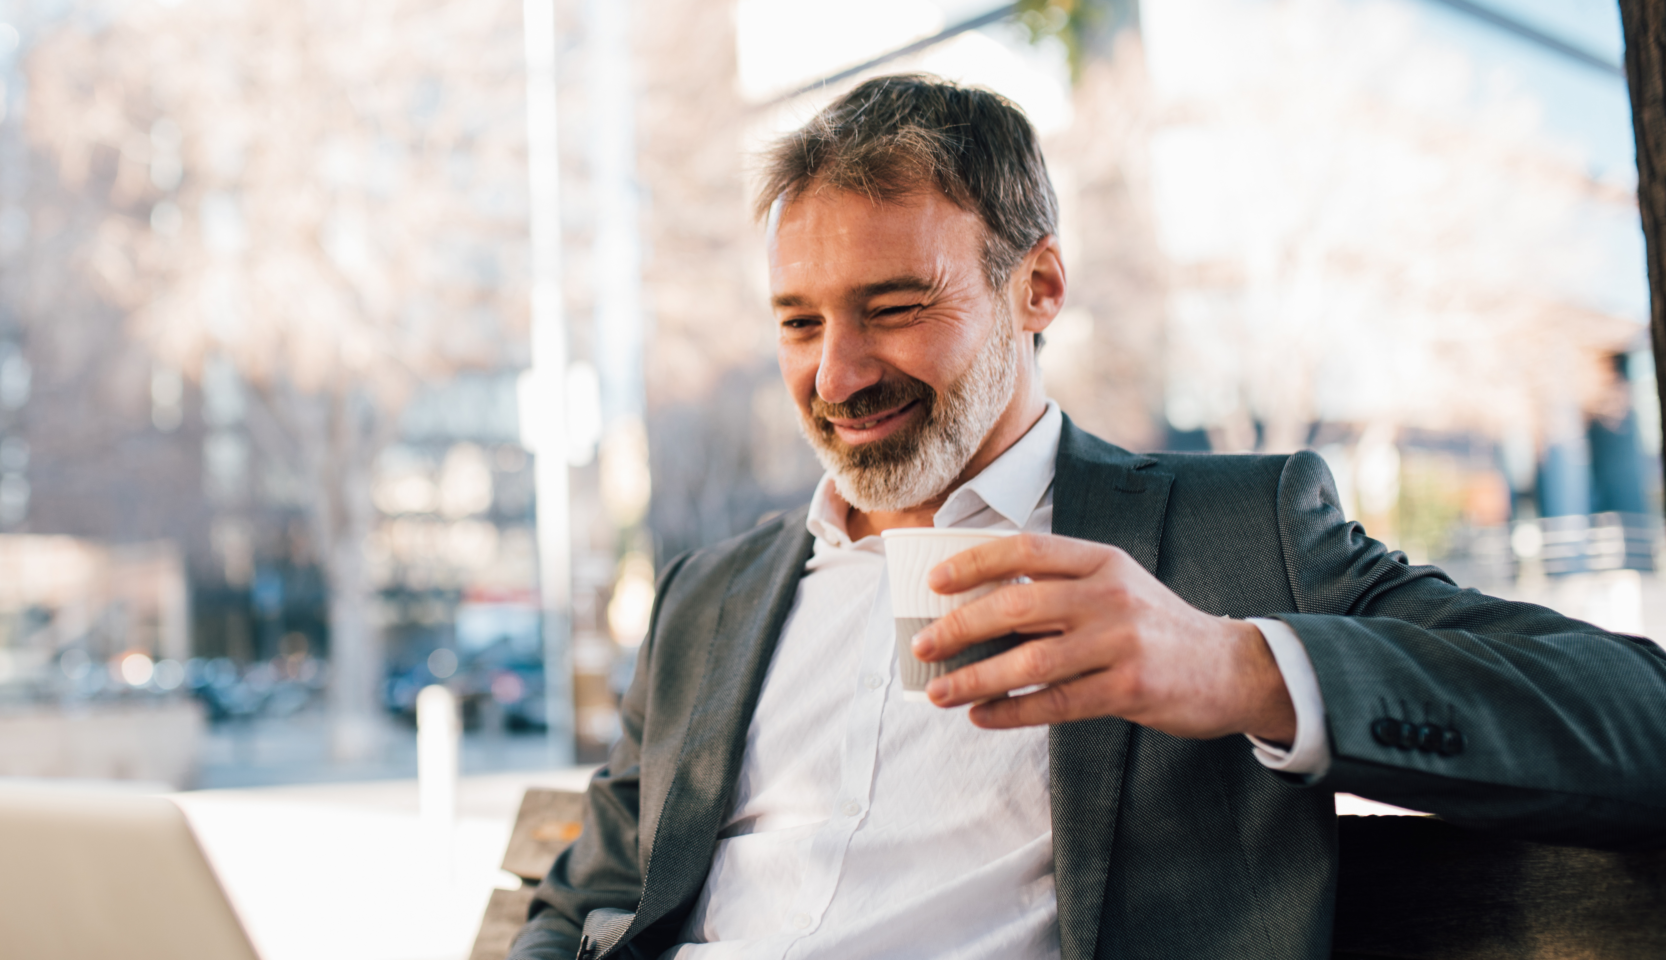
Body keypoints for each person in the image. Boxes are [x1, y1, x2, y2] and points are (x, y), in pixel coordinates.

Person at [508, 74, 1666, 960]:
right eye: (799, 323)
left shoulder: (1233, 537)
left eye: (896, 306)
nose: (837, 373)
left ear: (1039, 287)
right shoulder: (712, 596)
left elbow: (1640, 720)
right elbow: (586, 897)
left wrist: (1235, 665)